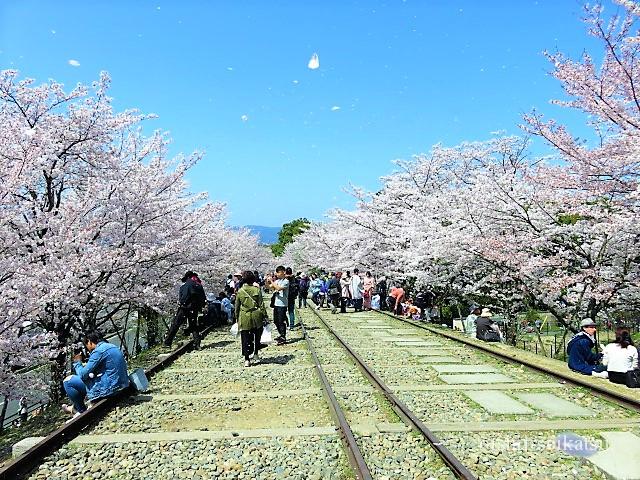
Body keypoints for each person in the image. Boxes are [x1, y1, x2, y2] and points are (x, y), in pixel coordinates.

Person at [62, 331, 130, 417]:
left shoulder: (98, 351)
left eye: (86, 344)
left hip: (109, 390)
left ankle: (80, 410)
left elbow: (82, 375)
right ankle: (73, 408)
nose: (87, 348)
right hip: (123, 384)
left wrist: (77, 362)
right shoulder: (112, 346)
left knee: (68, 381)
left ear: (90, 341)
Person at [164, 271, 207, 349]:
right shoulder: (199, 285)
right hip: (195, 308)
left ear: (187, 277)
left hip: (185, 308)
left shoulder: (185, 285)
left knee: (176, 324)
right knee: (194, 325)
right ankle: (197, 344)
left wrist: (184, 304)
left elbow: (182, 298)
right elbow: (203, 298)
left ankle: (167, 342)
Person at [235, 271, 268, 367]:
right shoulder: (256, 290)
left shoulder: (241, 291)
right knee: (257, 335)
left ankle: (247, 359)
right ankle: (256, 353)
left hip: (244, 315)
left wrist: (237, 318)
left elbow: (237, 306)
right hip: (256, 315)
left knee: (245, 337)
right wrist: (265, 316)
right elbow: (261, 305)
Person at [266, 265, 289, 345]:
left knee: (281, 321)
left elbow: (278, 288)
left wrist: (272, 281)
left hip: (282, 304)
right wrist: (267, 281)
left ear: (283, 272)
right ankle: (280, 334)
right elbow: (269, 287)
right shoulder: (277, 281)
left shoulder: (286, 281)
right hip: (276, 304)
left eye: (278, 272)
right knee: (276, 321)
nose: (277, 274)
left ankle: (283, 336)